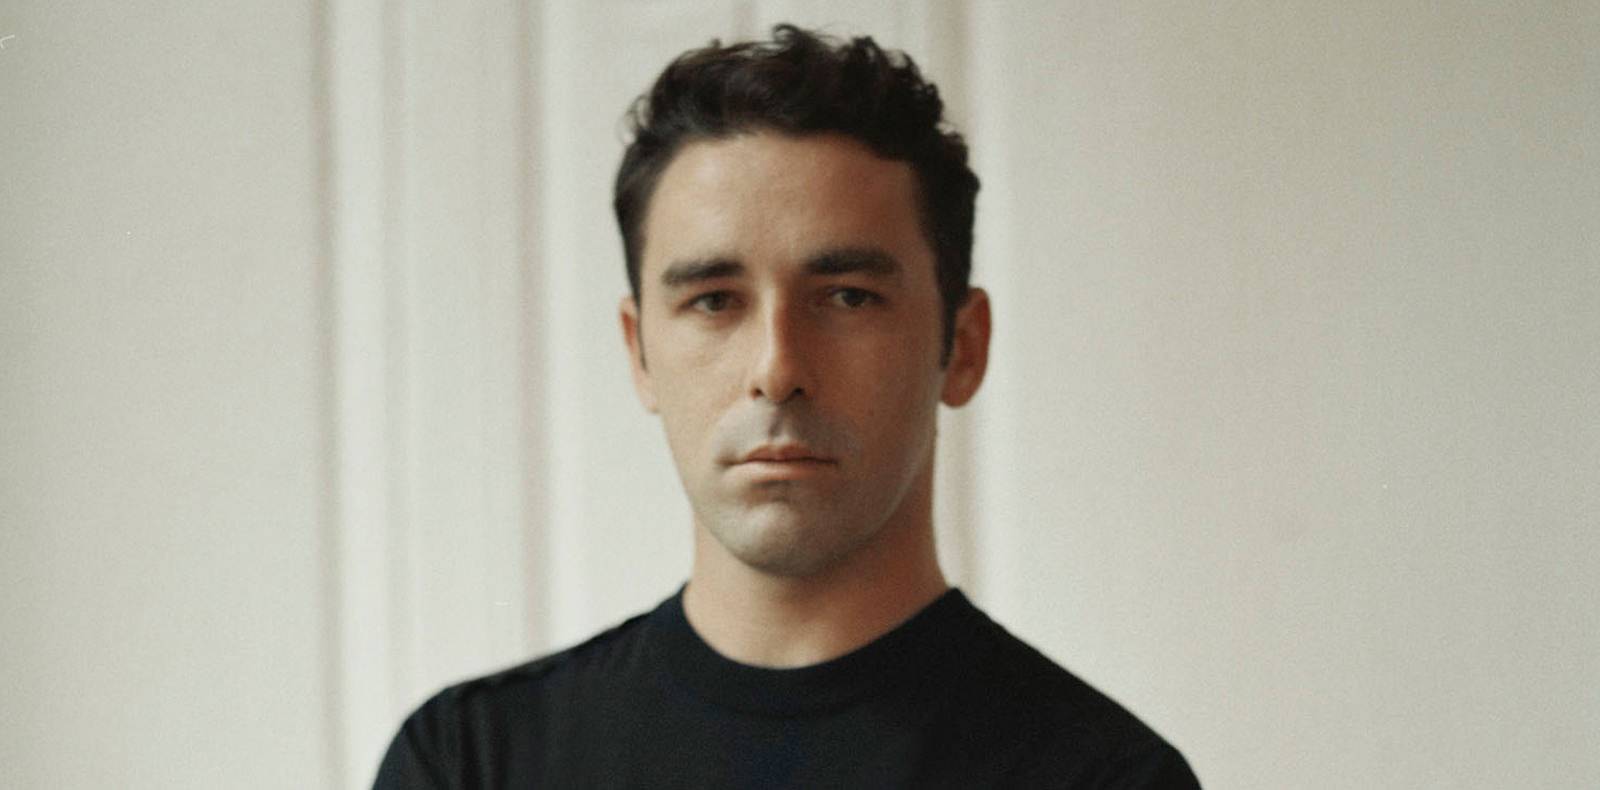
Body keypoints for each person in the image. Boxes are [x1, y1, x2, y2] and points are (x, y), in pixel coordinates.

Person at [374, 24, 1199, 788]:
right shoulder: (470, 764)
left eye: (847, 297)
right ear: (639, 353)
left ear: (964, 345)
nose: (777, 369)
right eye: (713, 301)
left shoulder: (1108, 781)